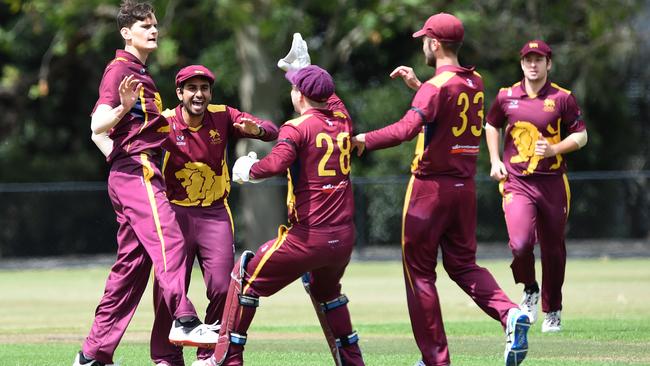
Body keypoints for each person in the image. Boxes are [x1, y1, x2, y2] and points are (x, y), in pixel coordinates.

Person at [350, 13, 530, 366]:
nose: (422, 45)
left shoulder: (437, 87)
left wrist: (362, 140)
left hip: (429, 190)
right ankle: (510, 313)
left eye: (424, 40)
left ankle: (436, 359)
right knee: (463, 265)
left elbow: (406, 129)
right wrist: (420, 87)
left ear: (434, 43)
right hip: (464, 189)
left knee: (418, 273)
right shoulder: (474, 82)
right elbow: (448, 111)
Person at [75, 1, 216, 365]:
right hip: (137, 172)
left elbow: (101, 134)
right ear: (126, 33)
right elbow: (97, 125)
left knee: (130, 271)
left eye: (154, 25)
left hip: (130, 171)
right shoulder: (120, 70)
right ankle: (184, 320)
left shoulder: (137, 73)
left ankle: (93, 354)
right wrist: (122, 124)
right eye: (145, 26)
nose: (153, 31)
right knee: (171, 241)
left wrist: (115, 154)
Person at [200, 54, 365, 365]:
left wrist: (249, 169)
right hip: (343, 238)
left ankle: (226, 358)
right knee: (327, 293)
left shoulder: (295, 127)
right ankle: (353, 360)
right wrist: (303, 69)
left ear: (298, 94)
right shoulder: (343, 120)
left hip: (308, 237)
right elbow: (333, 98)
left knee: (243, 274)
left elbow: (276, 163)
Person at [149, 64, 279, 366]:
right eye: (191, 88)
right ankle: (166, 357)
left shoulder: (223, 115)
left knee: (223, 285)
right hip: (175, 215)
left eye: (204, 88)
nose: (199, 94)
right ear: (179, 93)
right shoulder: (166, 122)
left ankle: (208, 354)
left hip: (214, 214)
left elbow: (271, 129)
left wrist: (256, 130)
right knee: (170, 288)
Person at [485, 40, 588, 333]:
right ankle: (530, 289)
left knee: (553, 249)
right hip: (517, 182)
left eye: (539, 59)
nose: (533, 64)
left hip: (554, 183)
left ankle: (552, 309)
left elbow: (581, 136)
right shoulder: (506, 96)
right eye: (528, 59)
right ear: (521, 64)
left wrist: (555, 149)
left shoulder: (563, 98)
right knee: (520, 244)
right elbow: (491, 125)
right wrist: (494, 160)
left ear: (548, 64)